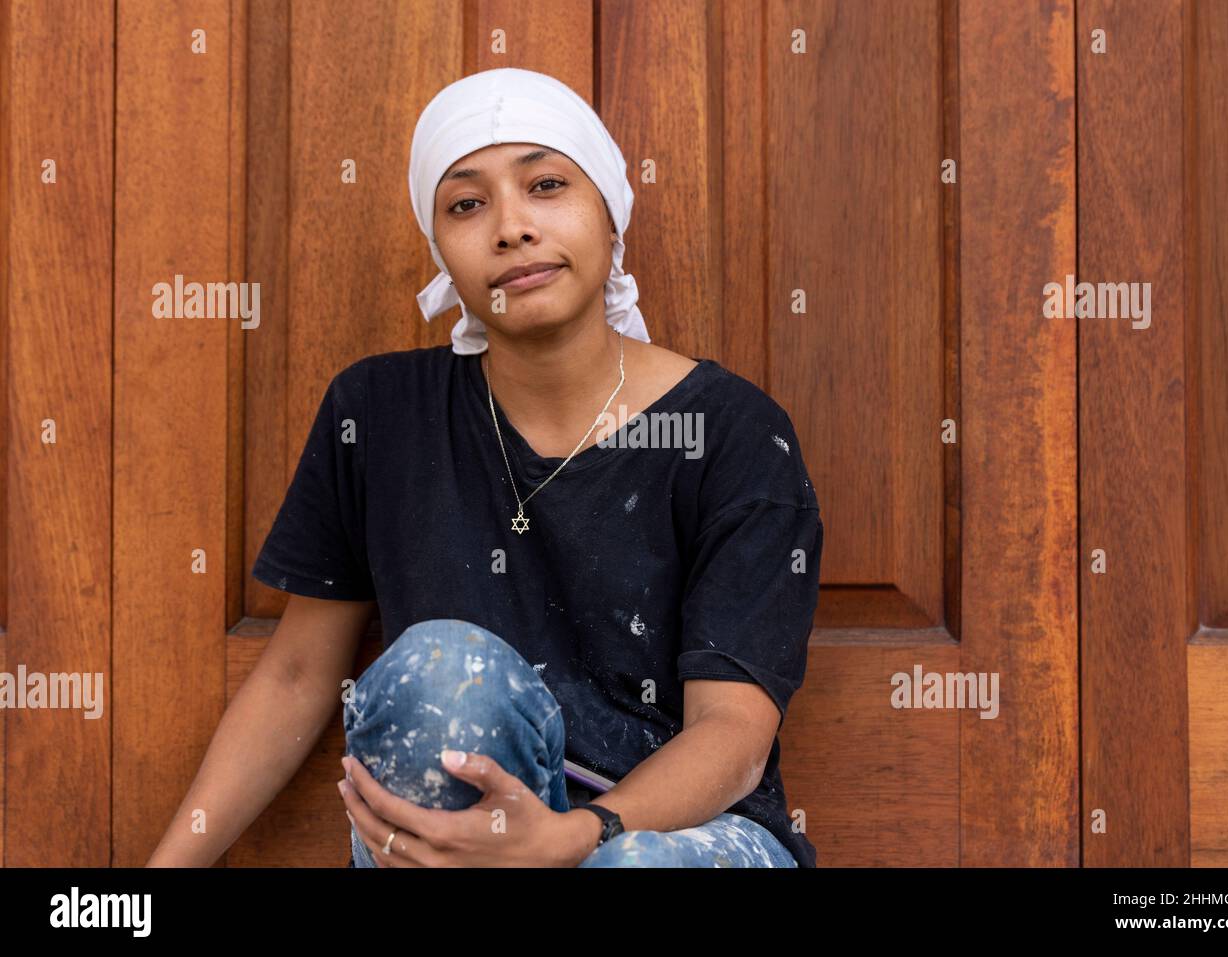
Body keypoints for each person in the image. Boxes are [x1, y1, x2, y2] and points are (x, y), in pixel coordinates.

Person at [147, 67, 822, 869]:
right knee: (439, 669)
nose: (511, 227)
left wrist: (578, 834)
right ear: (441, 250)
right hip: (455, 840)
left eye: (546, 184)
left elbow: (734, 731)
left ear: (609, 217)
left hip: (669, 835)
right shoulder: (379, 411)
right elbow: (297, 675)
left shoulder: (733, 432)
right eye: (467, 203)